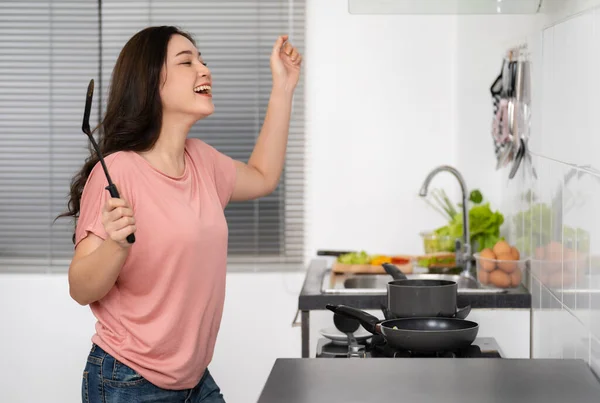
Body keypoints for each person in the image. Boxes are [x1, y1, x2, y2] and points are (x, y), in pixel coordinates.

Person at [59, 25, 302, 402]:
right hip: (129, 380)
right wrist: (116, 247)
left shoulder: (201, 159)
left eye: (203, 60)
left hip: (192, 378)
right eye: (187, 62)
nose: (204, 69)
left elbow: (263, 176)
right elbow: (80, 288)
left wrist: (283, 87)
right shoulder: (118, 172)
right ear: (150, 82)